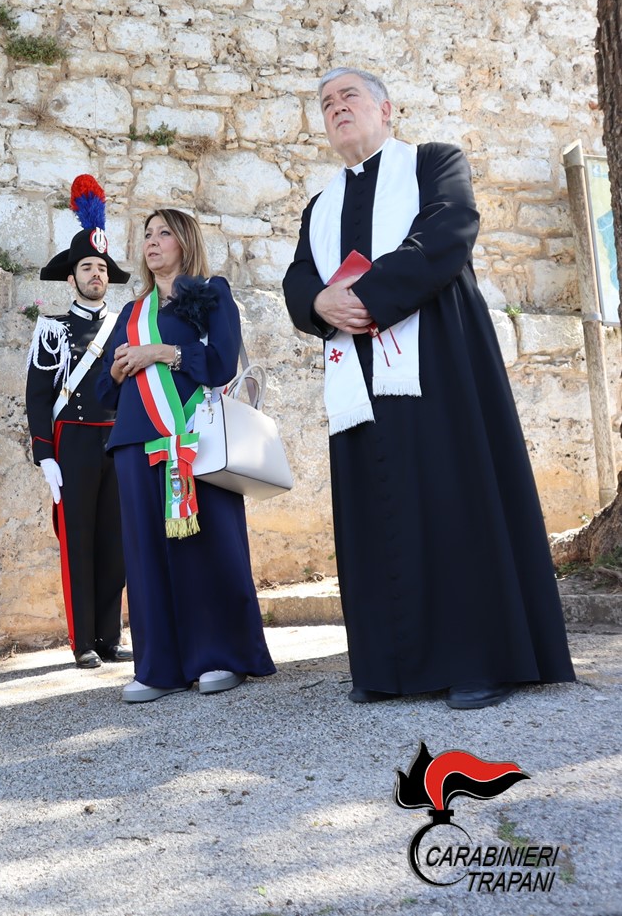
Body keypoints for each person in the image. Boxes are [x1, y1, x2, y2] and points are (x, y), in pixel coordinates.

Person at [281, 66, 576, 709]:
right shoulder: (320, 206)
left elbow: (446, 234)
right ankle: (389, 667)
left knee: (451, 496)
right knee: (373, 507)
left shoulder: (434, 162)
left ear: (386, 109)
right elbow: (298, 279)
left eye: (349, 96)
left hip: (438, 358)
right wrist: (319, 305)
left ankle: (477, 661)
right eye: (325, 103)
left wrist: (359, 298)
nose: (336, 109)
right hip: (359, 376)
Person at [96, 209, 275, 703]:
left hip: (197, 435)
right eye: (146, 234)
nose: (152, 242)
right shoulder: (131, 314)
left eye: (164, 233)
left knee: (209, 544)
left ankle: (221, 655)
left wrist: (162, 352)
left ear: (185, 241)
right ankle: (159, 666)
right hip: (137, 441)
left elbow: (219, 362)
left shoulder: (210, 292)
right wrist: (115, 371)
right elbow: (100, 390)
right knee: (146, 553)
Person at [26, 175, 132, 668]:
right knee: (78, 542)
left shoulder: (127, 326)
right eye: (87, 267)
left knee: (116, 542)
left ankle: (110, 637)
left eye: (101, 268)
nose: (95, 274)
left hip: (119, 439)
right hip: (73, 443)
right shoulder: (52, 329)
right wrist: (44, 454)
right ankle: (83, 641)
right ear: (71, 277)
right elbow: (37, 394)